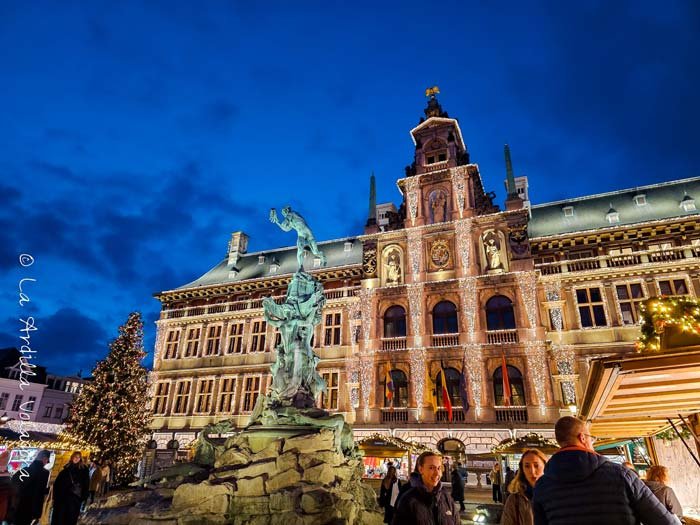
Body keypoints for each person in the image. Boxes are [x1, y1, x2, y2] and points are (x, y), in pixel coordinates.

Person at [533, 416, 680, 525]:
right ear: (582, 438)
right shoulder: (622, 475)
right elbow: (664, 522)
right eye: (592, 438)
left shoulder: (542, 487)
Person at [392, 451, 459, 525]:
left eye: (439, 468)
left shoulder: (446, 497)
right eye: (431, 468)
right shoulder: (408, 499)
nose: (437, 473)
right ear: (421, 469)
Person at [500, 449, 547, 525]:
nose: (532, 471)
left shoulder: (555, 496)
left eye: (536, 465)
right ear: (522, 470)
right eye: (527, 466)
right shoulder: (514, 500)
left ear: (545, 466)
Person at [11, 449, 51, 525]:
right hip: (32, 507)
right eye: (47, 461)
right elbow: (40, 491)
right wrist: (49, 490)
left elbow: (14, 483)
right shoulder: (45, 473)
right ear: (45, 459)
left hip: (19, 504)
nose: (46, 463)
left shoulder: (25, 470)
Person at [51, 451, 90, 525]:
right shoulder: (66, 468)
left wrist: (83, 496)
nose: (76, 458)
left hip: (74, 499)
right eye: (75, 457)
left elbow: (86, 484)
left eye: (78, 457)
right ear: (72, 457)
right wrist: (56, 497)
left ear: (80, 459)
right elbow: (58, 483)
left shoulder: (84, 470)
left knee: (70, 518)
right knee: (60, 517)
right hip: (63, 498)